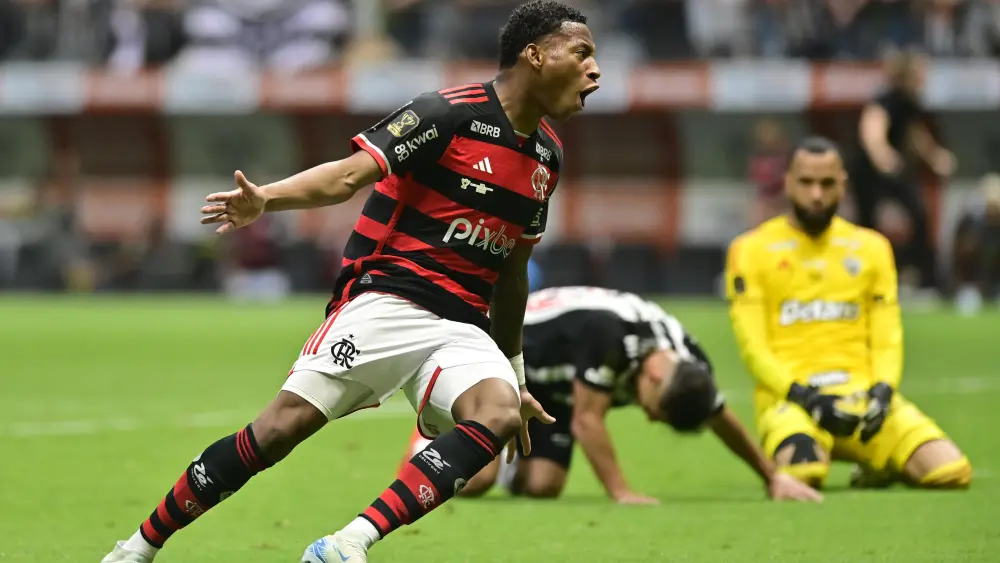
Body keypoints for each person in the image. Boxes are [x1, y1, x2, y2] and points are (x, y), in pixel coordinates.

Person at [100, 2, 601, 562]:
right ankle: (137, 548)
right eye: (582, 53)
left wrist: (515, 372)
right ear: (535, 55)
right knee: (276, 432)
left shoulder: (546, 158)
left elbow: (511, 273)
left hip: (462, 326)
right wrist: (266, 198)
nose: (595, 70)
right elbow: (345, 178)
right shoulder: (447, 113)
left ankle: (345, 544)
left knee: (500, 411)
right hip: (387, 300)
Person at [400, 286, 823, 504]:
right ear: (655, 374)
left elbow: (720, 417)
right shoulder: (613, 335)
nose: (651, 418)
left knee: (543, 487)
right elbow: (588, 420)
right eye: (653, 409)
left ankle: (513, 453)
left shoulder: (688, 364)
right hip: (501, 354)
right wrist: (621, 492)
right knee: (476, 481)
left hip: (559, 387)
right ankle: (432, 434)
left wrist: (771, 477)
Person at [725, 136, 972, 491]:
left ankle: (877, 462)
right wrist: (805, 397)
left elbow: (887, 334)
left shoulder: (872, 248)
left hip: (863, 398)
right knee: (804, 473)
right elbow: (753, 347)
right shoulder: (750, 250)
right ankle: (841, 452)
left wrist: (884, 390)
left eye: (826, 184)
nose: (816, 195)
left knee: (950, 472)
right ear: (788, 182)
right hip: (792, 403)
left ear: (843, 184)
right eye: (806, 182)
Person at [851, 50, 956, 290]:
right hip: (869, 173)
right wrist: (882, 155)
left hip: (894, 170)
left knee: (919, 214)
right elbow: (872, 128)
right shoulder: (886, 100)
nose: (924, 77)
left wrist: (936, 157)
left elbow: (916, 134)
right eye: (920, 72)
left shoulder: (911, 103)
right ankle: (863, 279)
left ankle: (925, 278)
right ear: (908, 75)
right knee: (867, 225)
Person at [952, 174, 1000, 315]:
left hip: (995, 283)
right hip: (971, 284)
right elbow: (961, 258)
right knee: (969, 303)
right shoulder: (971, 222)